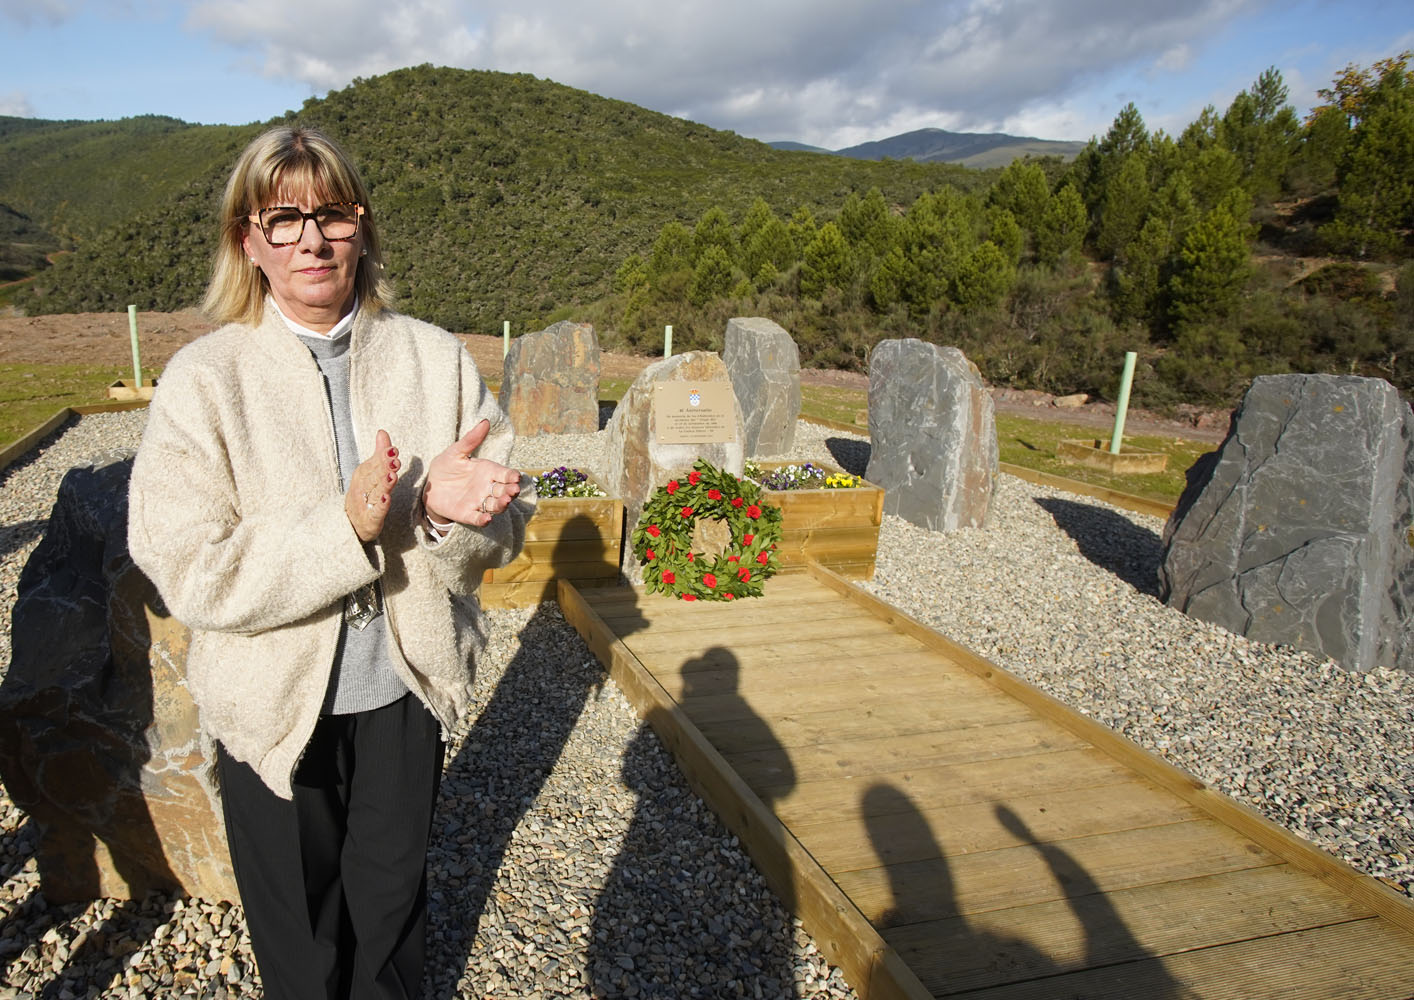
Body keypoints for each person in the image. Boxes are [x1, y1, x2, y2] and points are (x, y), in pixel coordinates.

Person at [127, 125, 534, 1000]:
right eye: (283, 219)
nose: (311, 239)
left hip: (402, 687)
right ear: (249, 241)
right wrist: (345, 532)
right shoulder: (207, 378)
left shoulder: (435, 358)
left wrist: (442, 515)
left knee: (389, 920)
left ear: (362, 226)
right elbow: (186, 565)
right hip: (273, 705)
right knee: (302, 940)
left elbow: (508, 523)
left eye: (332, 214)